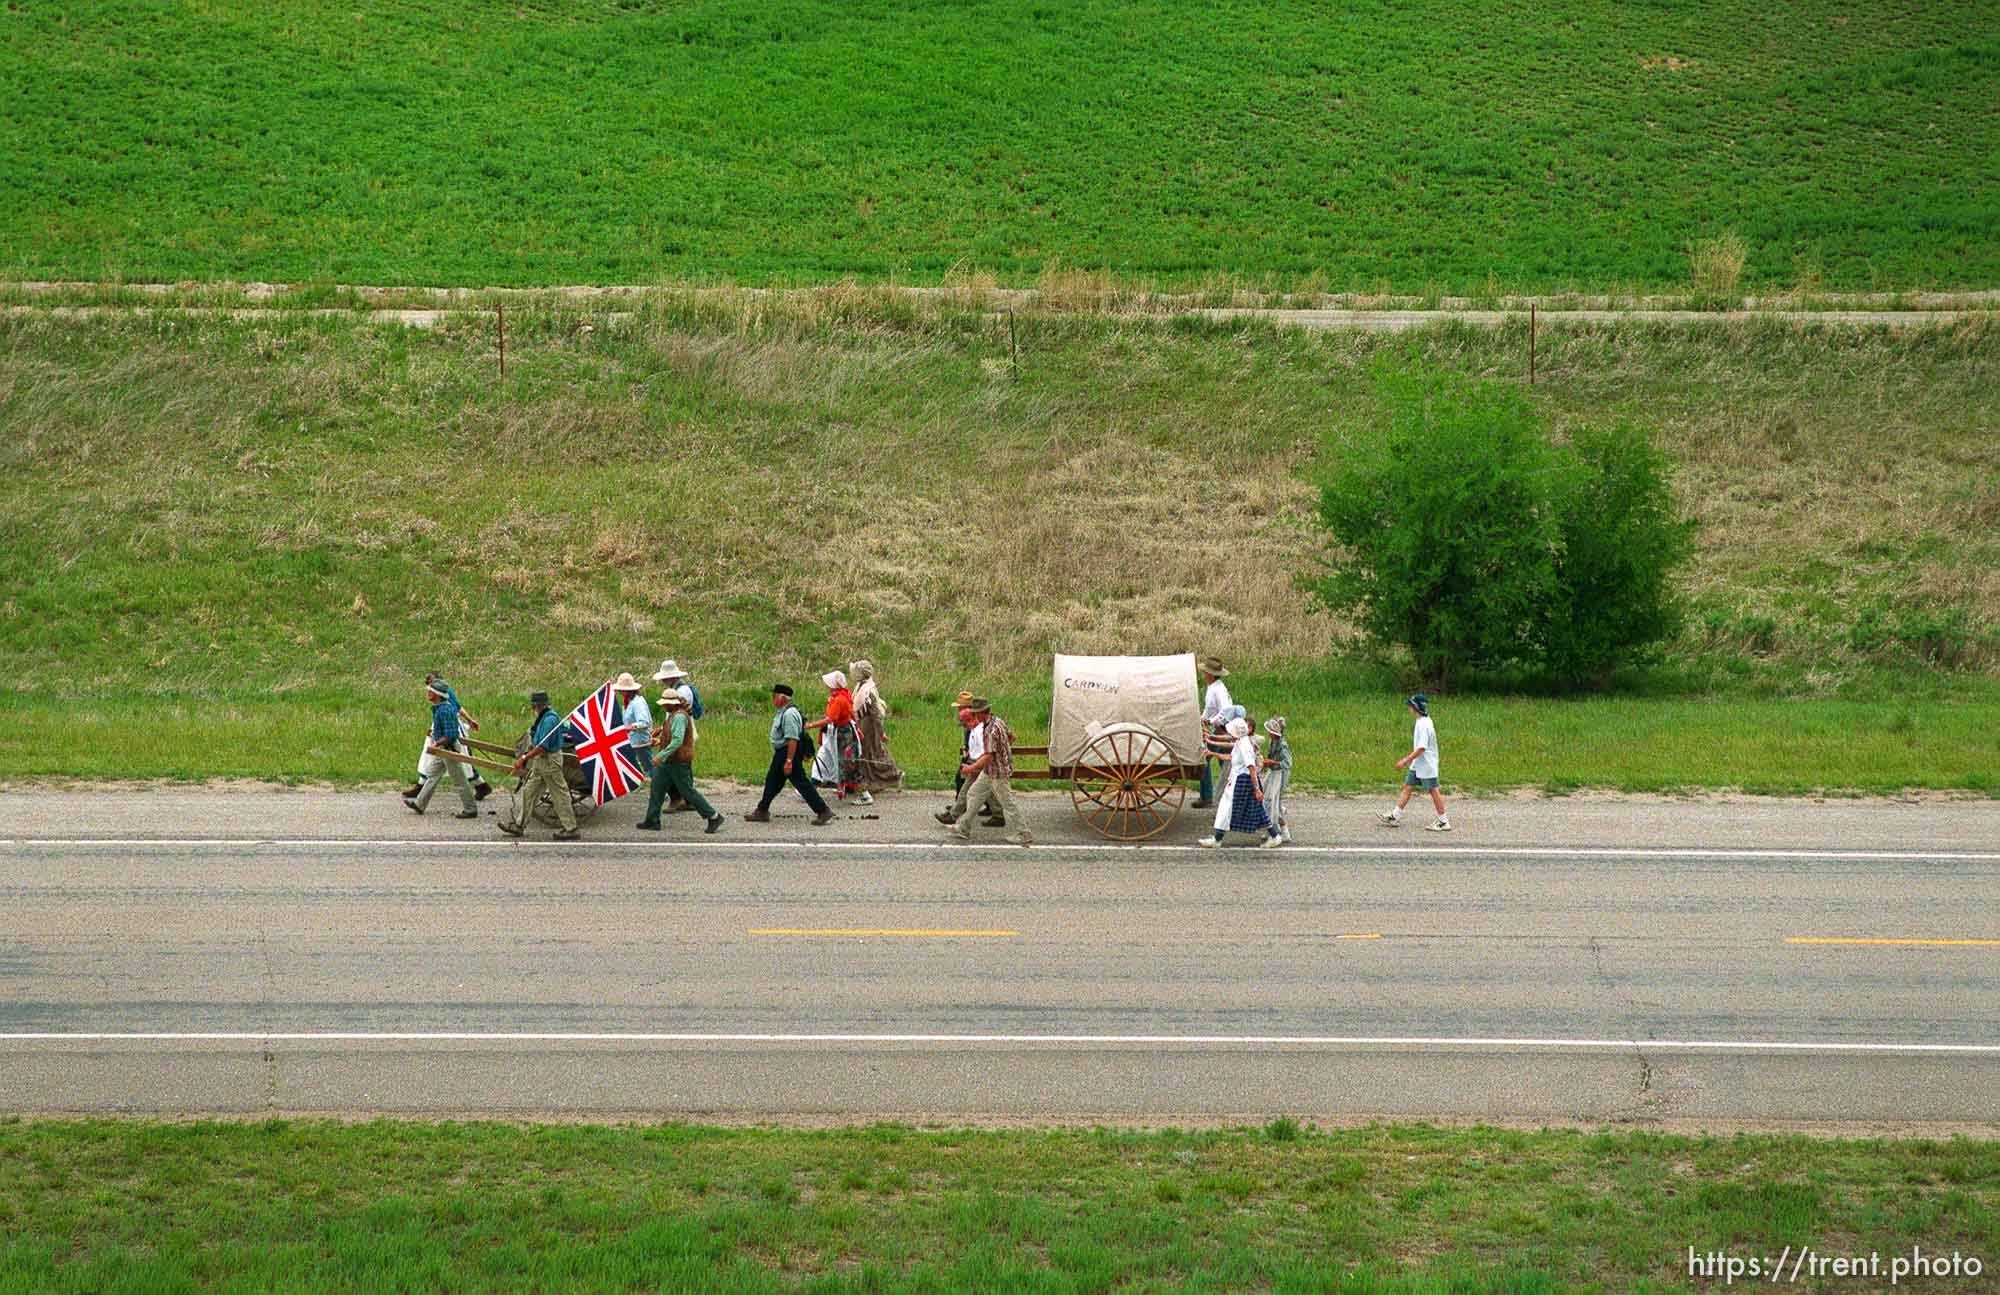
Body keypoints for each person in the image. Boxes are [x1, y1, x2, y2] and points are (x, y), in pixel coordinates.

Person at [746, 684, 836, 826]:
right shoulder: (785, 711)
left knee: (801, 783)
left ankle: (823, 811)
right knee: (772, 782)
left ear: (782, 698)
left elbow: (793, 739)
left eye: (774, 697)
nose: (773, 700)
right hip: (784, 753)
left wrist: (789, 760)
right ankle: (762, 810)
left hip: (787, 753)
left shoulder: (789, 714)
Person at [946, 698, 1030, 846]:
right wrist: (1003, 751)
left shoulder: (989, 730)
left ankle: (1024, 833)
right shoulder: (999, 721)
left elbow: (988, 756)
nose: (974, 716)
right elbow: (1012, 737)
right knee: (973, 793)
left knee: (1008, 802)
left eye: (975, 713)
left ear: (981, 713)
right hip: (990, 770)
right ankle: (963, 827)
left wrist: (970, 768)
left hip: (997, 772)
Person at [637, 693, 724, 834]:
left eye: (665, 703)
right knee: (656, 788)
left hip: (678, 762)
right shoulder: (674, 715)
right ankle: (652, 820)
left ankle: (713, 816)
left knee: (687, 791)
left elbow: (677, 741)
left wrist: (660, 755)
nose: (663, 706)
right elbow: (673, 739)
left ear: (673, 703)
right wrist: (659, 742)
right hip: (669, 760)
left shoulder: (678, 717)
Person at [402, 671, 493, 802]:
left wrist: (468, 720)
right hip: (441, 728)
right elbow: (453, 709)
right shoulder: (439, 693)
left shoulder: (444, 693)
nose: (428, 688)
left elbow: (455, 709)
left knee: (461, 761)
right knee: (433, 758)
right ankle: (421, 787)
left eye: (431, 684)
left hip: (449, 729)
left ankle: (479, 787)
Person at [500, 690, 577, 839]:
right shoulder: (544, 718)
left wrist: (523, 758)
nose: (532, 709)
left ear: (537, 706)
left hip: (550, 761)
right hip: (540, 761)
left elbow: (543, 746)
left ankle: (571, 828)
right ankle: (519, 825)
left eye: (533, 706)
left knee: (559, 795)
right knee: (529, 791)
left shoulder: (549, 720)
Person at [406, 679, 479, 819]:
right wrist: (433, 733)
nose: (428, 693)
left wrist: (436, 744)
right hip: (443, 750)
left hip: (448, 750)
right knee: (432, 775)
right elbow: (444, 729)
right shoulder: (440, 708)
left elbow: (451, 735)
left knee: (459, 780)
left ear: (437, 694)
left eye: (430, 691)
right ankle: (419, 804)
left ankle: (470, 809)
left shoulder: (444, 710)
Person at [1380, 693, 1450, 832]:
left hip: (1426, 764)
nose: (1409, 708)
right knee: (1408, 786)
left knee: (1433, 790)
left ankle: (1443, 821)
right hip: (1418, 764)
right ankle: (1395, 816)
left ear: (1415, 708)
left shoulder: (1423, 724)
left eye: (1410, 705)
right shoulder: (1423, 721)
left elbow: (1421, 748)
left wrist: (1405, 761)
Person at [1197, 716, 1268, 847]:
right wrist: (1213, 753)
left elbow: (1251, 767)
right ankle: (1217, 838)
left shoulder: (1245, 746)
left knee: (1230, 808)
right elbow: (1230, 757)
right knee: (1236, 808)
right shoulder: (1240, 742)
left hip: (1243, 781)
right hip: (1237, 780)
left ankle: (1217, 839)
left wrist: (1256, 788)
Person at [935, 697, 1000, 827]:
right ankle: (998, 815)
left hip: (979, 765)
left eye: (965, 724)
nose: (964, 727)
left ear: (972, 718)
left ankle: (954, 816)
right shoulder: (976, 729)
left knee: (967, 791)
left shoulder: (981, 731)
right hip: (979, 764)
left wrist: (972, 767)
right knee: (987, 790)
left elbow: (986, 753)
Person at [805, 670, 863, 802]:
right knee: (826, 758)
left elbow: (829, 719)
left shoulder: (839, 699)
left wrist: (810, 725)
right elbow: (852, 713)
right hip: (838, 733)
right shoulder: (842, 695)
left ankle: (863, 794)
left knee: (848, 763)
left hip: (843, 734)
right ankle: (813, 787)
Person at [848, 659, 902, 802]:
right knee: (868, 753)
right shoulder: (861, 686)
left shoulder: (868, 691)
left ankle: (893, 775)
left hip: (868, 727)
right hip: (862, 725)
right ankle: (870, 782)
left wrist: (881, 732)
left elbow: (875, 715)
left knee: (871, 753)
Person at [651, 660, 697, 812]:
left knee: (674, 766)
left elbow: (676, 716)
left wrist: (665, 733)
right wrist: (662, 729)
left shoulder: (681, 692)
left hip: (680, 734)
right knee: (683, 768)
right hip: (680, 732)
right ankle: (687, 799)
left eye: (664, 678)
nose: (663, 681)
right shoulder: (680, 689)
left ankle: (678, 798)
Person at [1192, 656, 1233, 809]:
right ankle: (1227, 792)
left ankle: (1207, 796)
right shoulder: (1213, 687)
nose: (1204, 675)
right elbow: (1209, 710)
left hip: (1222, 729)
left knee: (1206, 758)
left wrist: (1211, 721)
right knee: (1226, 761)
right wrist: (1202, 719)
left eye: (1205, 672)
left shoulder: (1218, 690)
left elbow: (1225, 711)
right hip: (1219, 728)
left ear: (1209, 674)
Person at [613, 672, 653, 780]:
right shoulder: (629, 702)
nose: (620, 692)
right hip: (634, 740)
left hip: (640, 742)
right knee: (644, 766)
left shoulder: (637, 703)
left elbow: (644, 723)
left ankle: (666, 791)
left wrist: (628, 728)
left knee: (650, 768)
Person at [1260, 716, 1292, 847]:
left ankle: (1283, 831)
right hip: (1273, 772)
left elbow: (1287, 763)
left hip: (1280, 774)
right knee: (1268, 800)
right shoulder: (1273, 742)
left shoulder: (1283, 746)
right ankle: (1273, 828)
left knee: (1275, 802)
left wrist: (1271, 762)